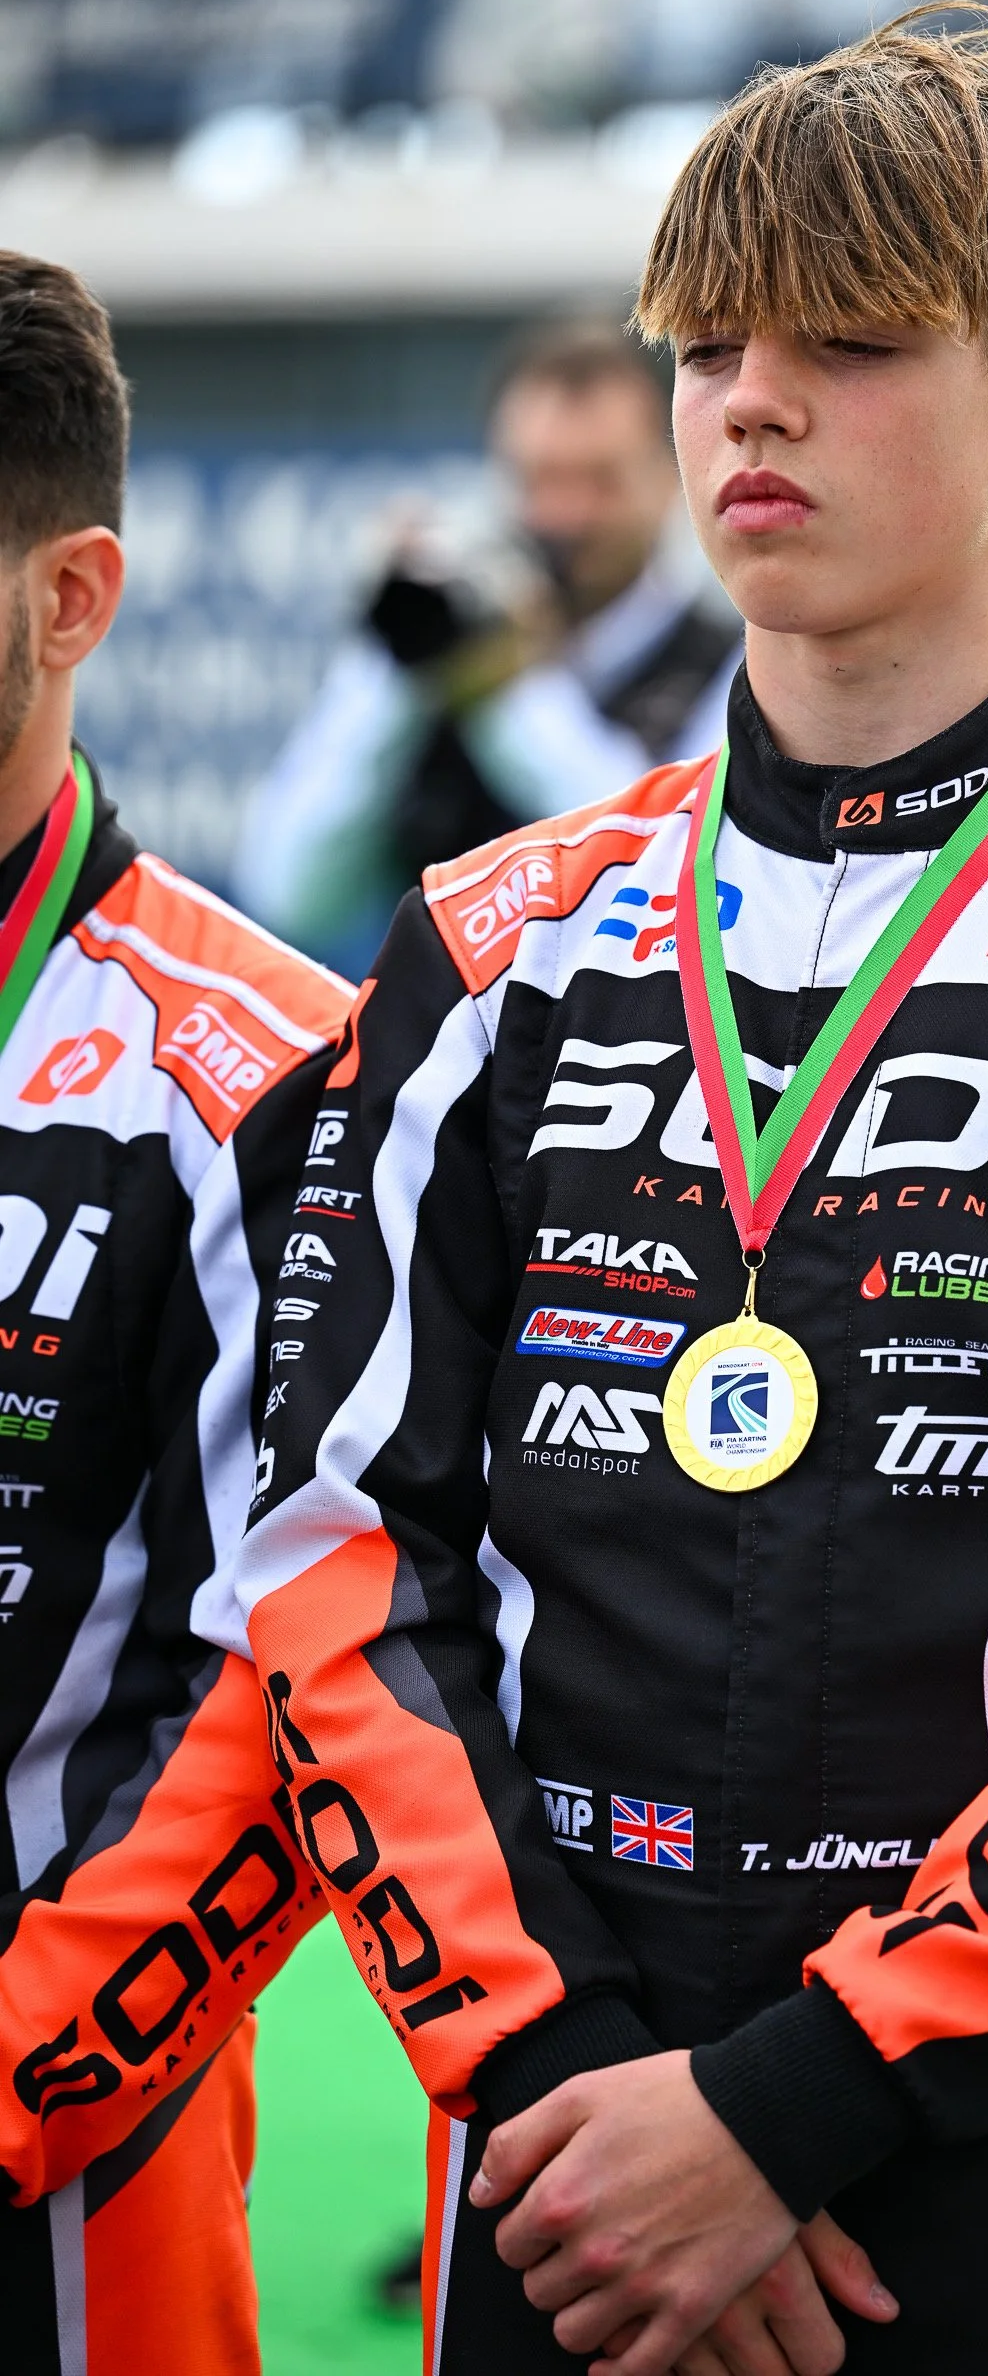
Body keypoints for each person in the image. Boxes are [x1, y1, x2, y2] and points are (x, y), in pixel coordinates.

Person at [236, 7, 988, 2374]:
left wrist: (790, 2105)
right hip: (555, 2165)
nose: (748, 402)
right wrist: (574, 2091)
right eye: (710, 342)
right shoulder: (482, 949)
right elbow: (330, 1552)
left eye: (851, 342)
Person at [0, 252, 353, 2374]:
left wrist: (23, 2058)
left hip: (64, 2157)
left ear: (75, 596)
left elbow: (299, 1684)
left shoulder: (258, 1072)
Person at [234, 321, 743, 977]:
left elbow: (672, 886)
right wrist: (399, 662)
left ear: (672, 478)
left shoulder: (731, 665)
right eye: (539, 480)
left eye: (599, 482)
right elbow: (290, 896)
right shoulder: (442, 646)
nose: (565, 516)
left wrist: (509, 695)